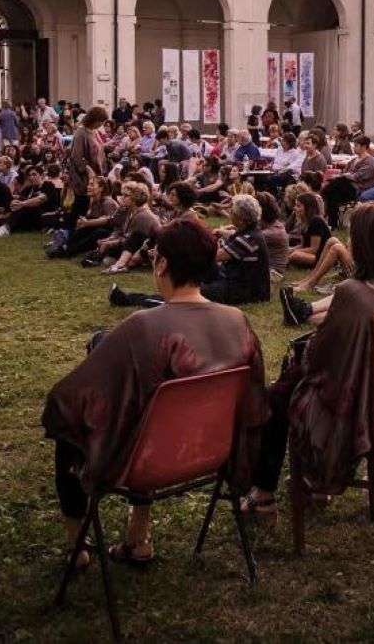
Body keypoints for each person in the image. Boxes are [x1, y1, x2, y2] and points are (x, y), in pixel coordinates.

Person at [43, 216, 269, 568]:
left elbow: (67, 401)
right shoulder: (237, 320)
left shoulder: (143, 325)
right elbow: (255, 402)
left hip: (150, 460)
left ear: (162, 263)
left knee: (71, 428)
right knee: (145, 407)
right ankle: (138, 538)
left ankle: (79, 547)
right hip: (213, 454)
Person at [240, 203, 374, 514]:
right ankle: (309, 485)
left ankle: (264, 492)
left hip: (357, 409)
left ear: (367, 247)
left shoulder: (354, 294)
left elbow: (322, 358)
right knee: (291, 382)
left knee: (279, 395)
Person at [287, 193, 332, 269]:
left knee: (295, 255)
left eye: (298, 206)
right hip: (311, 254)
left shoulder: (316, 221)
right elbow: (303, 245)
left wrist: (294, 252)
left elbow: (314, 249)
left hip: (321, 256)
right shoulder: (304, 222)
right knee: (289, 252)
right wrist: (290, 249)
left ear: (308, 207)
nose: (295, 208)